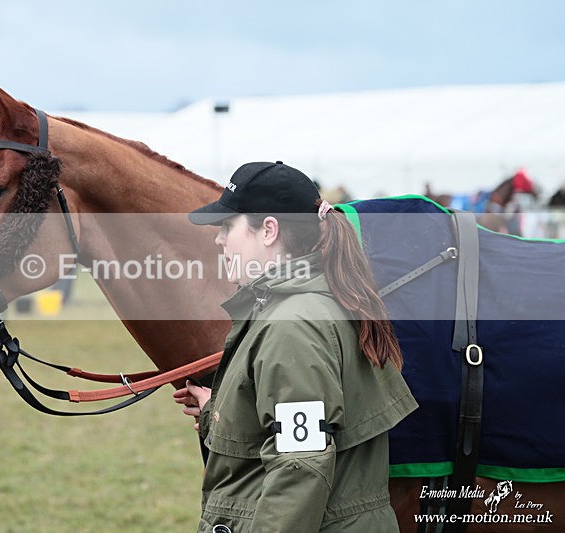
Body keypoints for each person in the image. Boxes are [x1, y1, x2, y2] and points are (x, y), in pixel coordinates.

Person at [173, 161, 418, 532]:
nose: (219, 240)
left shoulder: (293, 325)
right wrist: (217, 411)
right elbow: (294, 425)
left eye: (227, 226)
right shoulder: (312, 302)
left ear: (268, 230)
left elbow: (300, 464)